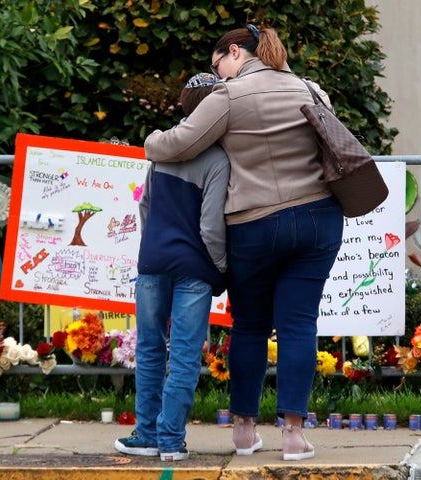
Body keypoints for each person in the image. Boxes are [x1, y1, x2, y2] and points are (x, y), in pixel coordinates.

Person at [144, 24, 344, 461]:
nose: (218, 75)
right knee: (298, 325)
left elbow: (179, 144)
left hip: (254, 225)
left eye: (218, 65)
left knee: (250, 325)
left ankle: (244, 430)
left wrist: (149, 141)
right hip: (317, 220)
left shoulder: (228, 97)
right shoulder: (311, 90)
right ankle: (293, 435)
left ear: (234, 51)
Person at [114, 72, 230, 462]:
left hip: (152, 262)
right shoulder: (217, 159)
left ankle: (145, 433)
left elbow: (145, 205)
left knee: (148, 348)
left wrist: (153, 245)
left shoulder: (160, 150)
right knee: (182, 354)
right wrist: (220, 269)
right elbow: (211, 226)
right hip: (194, 267)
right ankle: (170, 440)